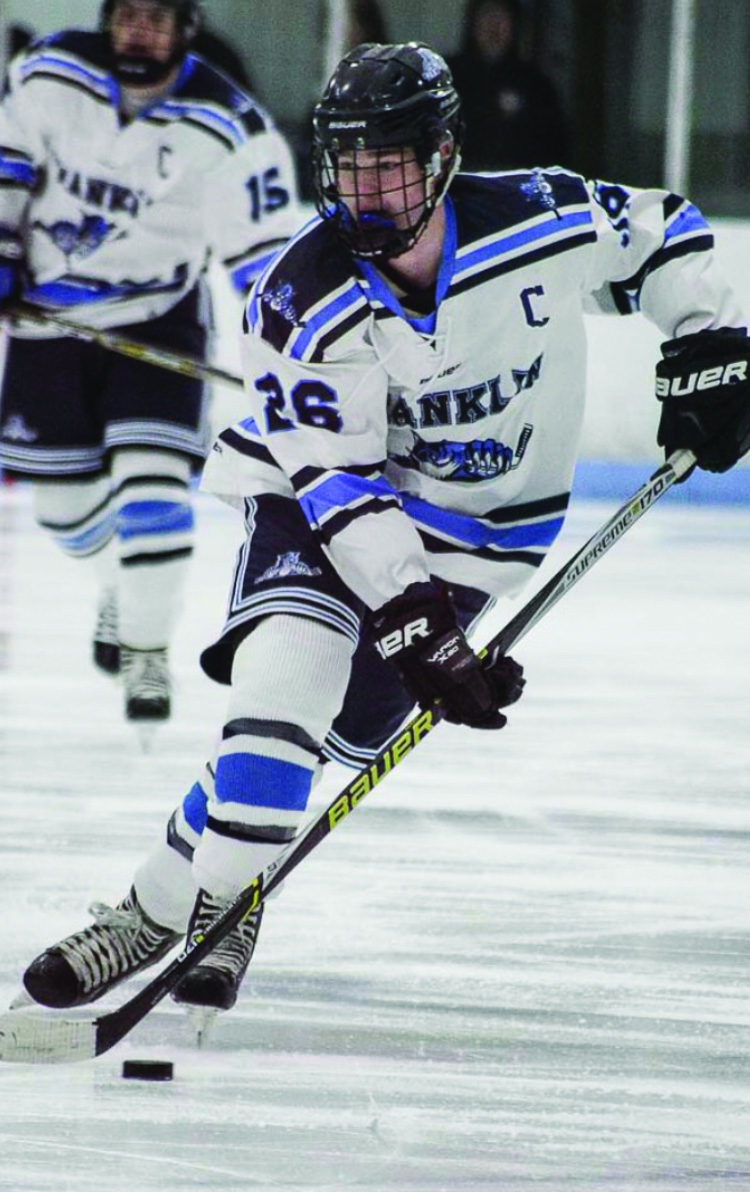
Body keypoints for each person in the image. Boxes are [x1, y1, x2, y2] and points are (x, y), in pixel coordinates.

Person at [16, 43, 750, 1025]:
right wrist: (415, 621)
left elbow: (666, 233)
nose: (363, 188)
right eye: (348, 164)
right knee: (276, 721)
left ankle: (165, 902)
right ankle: (203, 907)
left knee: (325, 747)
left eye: (387, 163)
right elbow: (340, 486)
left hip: (473, 540)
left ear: (443, 155)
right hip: (314, 513)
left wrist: (705, 340)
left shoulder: (539, 218)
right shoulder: (299, 296)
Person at [0, 0, 302, 723]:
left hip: (157, 321)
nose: (139, 31)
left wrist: (286, 356)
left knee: (154, 493)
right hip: (48, 323)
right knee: (64, 510)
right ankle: (120, 593)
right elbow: (8, 160)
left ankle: (146, 650)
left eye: (157, 19)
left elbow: (263, 265)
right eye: (127, 15)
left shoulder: (230, 128)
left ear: (186, 30)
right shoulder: (48, 72)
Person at [447, 0, 568, 172]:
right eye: (487, 14)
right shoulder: (448, 79)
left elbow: (553, 149)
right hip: (461, 184)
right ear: (473, 22)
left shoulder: (536, 85)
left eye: (502, 17)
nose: (493, 25)